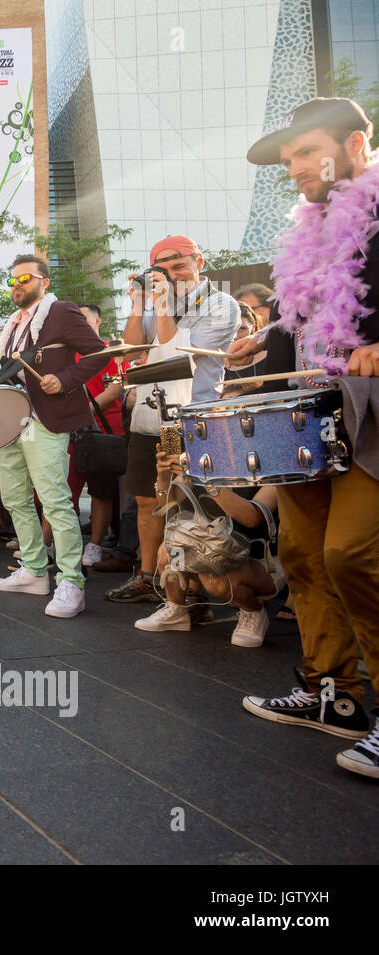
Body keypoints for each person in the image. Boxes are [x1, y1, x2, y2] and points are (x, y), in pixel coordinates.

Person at [230, 96, 379, 779]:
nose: (292, 168)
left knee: (353, 553)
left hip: (371, 422)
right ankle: (335, 695)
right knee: (301, 551)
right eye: (286, 158)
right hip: (309, 419)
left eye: (303, 151)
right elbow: (300, 325)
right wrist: (256, 352)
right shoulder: (305, 234)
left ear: (354, 145)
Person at [108, 235, 239, 604]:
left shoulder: (220, 304)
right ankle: (147, 577)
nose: (172, 274)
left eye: (179, 265)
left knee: (177, 500)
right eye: (161, 270)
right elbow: (133, 349)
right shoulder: (155, 301)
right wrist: (138, 305)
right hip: (150, 416)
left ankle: (185, 588)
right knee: (147, 500)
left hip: (184, 423)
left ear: (199, 260)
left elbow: (174, 352)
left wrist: (161, 301)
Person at [0, 255, 109, 618]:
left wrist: (65, 380)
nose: (16, 284)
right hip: (12, 419)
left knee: (54, 500)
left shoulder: (62, 312)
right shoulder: (11, 323)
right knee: (14, 498)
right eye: (11, 280)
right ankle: (35, 571)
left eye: (24, 277)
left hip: (46, 418)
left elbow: (99, 353)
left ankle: (72, 581)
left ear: (45, 282)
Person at [136, 447, 281, 647]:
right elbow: (168, 502)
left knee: (216, 580)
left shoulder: (273, 461)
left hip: (263, 561)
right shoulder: (210, 454)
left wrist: (208, 481)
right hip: (216, 550)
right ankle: (177, 609)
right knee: (168, 551)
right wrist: (163, 476)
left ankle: (253, 610)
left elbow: (251, 517)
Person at [70, 304, 123, 568]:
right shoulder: (69, 354)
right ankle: (57, 542)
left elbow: (115, 389)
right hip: (73, 431)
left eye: (85, 319)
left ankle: (96, 544)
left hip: (104, 432)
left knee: (102, 492)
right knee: (66, 488)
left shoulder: (110, 351)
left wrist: (84, 411)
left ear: (98, 321)